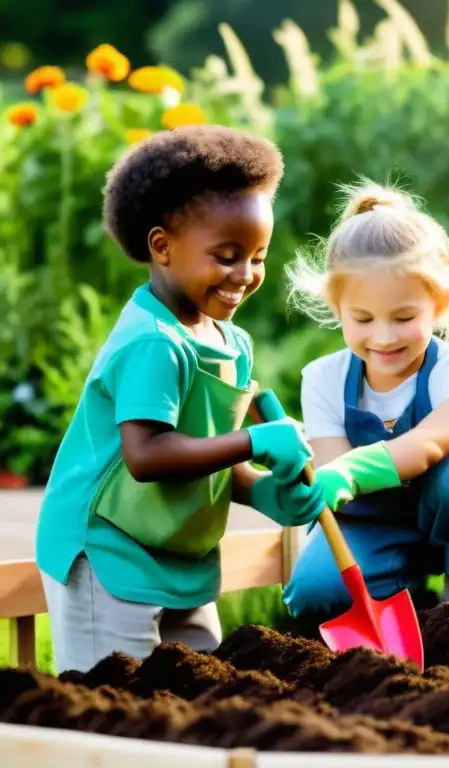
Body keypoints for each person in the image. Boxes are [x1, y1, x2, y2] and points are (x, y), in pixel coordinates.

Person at [36, 125, 329, 675]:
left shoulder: (227, 339)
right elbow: (150, 457)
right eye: (226, 256)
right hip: (109, 550)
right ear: (162, 247)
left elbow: (206, 457)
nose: (245, 274)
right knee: (114, 695)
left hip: (176, 548)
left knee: (196, 681)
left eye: (257, 256)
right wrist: (254, 440)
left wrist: (264, 493)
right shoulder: (153, 342)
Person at [282, 181, 449, 616]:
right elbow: (333, 471)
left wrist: (352, 470)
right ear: (336, 309)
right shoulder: (323, 379)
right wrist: (330, 478)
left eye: (404, 317)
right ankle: (404, 594)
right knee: (313, 596)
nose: (384, 336)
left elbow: (431, 442)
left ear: (439, 304)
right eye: (363, 318)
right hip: (372, 523)